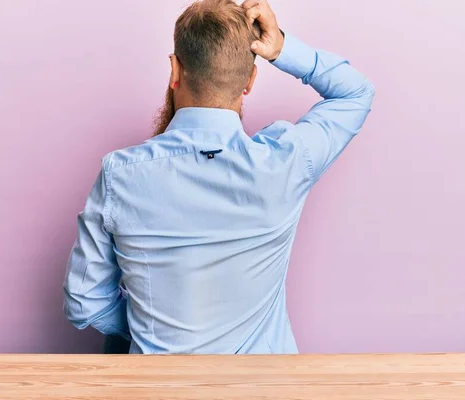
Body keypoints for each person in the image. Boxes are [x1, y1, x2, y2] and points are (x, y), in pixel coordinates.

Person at [63, 0, 375, 354]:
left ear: (174, 70)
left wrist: (146, 326)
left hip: (161, 389)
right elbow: (355, 92)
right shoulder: (286, 161)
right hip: (264, 390)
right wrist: (281, 48)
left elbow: (84, 303)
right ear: (250, 80)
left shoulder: (119, 175)